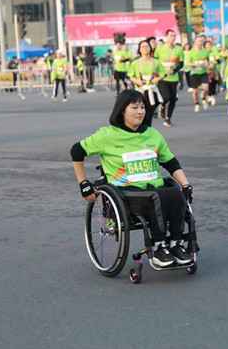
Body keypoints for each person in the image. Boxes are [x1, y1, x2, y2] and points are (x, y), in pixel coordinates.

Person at [70, 89, 193, 267]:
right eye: (134, 107)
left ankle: (175, 244)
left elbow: (170, 162)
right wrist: (83, 183)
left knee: (176, 193)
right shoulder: (107, 135)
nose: (140, 111)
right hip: (126, 193)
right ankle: (158, 248)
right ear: (122, 111)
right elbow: (76, 151)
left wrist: (185, 184)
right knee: (156, 197)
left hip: (154, 188)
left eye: (142, 107)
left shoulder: (152, 134)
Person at [128, 39, 165, 127]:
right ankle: (143, 130)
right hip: (141, 91)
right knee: (142, 113)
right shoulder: (135, 63)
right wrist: (137, 81)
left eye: (147, 46)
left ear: (150, 48)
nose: (144, 48)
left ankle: (147, 129)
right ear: (139, 50)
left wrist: (157, 79)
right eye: (142, 47)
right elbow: (131, 76)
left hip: (152, 90)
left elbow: (162, 73)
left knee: (149, 112)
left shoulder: (156, 62)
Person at [154, 29, 184, 127]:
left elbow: (181, 63)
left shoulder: (178, 49)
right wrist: (155, 74)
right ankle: (162, 106)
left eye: (174, 36)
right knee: (166, 97)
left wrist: (174, 70)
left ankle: (168, 119)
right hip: (162, 77)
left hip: (173, 78)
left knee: (173, 99)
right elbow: (155, 62)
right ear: (166, 37)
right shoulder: (159, 48)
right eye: (171, 36)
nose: (173, 38)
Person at [187, 35, 211, 112]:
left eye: (201, 41)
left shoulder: (205, 51)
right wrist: (196, 64)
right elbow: (187, 63)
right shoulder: (191, 52)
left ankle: (203, 99)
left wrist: (206, 64)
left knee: (206, 88)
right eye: (198, 41)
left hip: (203, 72)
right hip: (194, 73)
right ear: (195, 42)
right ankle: (197, 104)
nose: (200, 42)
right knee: (195, 92)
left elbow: (208, 62)